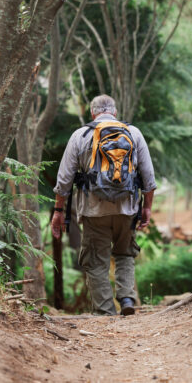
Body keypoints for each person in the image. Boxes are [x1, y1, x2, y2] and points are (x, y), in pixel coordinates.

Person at [51, 94, 157, 315]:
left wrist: (58, 211)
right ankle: (127, 298)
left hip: (93, 210)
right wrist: (146, 208)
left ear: (93, 113)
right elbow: (148, 178)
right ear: (115, 113)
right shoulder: (134, 133)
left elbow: (64, 180)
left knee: (95, 260)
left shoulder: (80, 135)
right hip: (126, 207)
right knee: (124, 253)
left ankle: (105, 312)